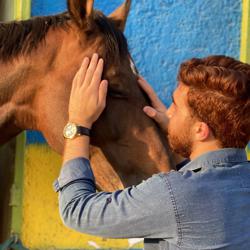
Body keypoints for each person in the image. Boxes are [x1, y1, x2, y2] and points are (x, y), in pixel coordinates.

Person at [54, 53, 250, 250]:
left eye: (175, 105)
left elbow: (76, 210)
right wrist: (178, 132)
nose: (169, 112)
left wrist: (78, 122)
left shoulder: (174, 195)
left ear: (200, 130)